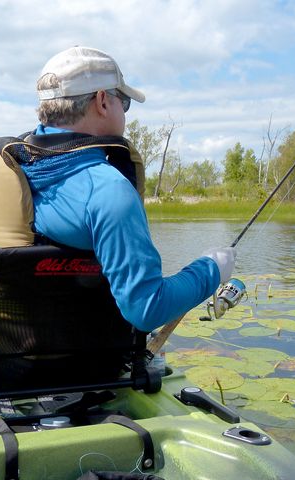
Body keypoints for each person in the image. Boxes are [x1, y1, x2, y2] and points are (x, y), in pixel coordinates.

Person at [23, 46, 235, 333]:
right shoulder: (108, 191)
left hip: (4, 352)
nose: (124, 112)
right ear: (102, 101)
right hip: (77, 366)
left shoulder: (18, 169)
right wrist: (212, 270)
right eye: (123, 102)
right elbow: (147, 308)